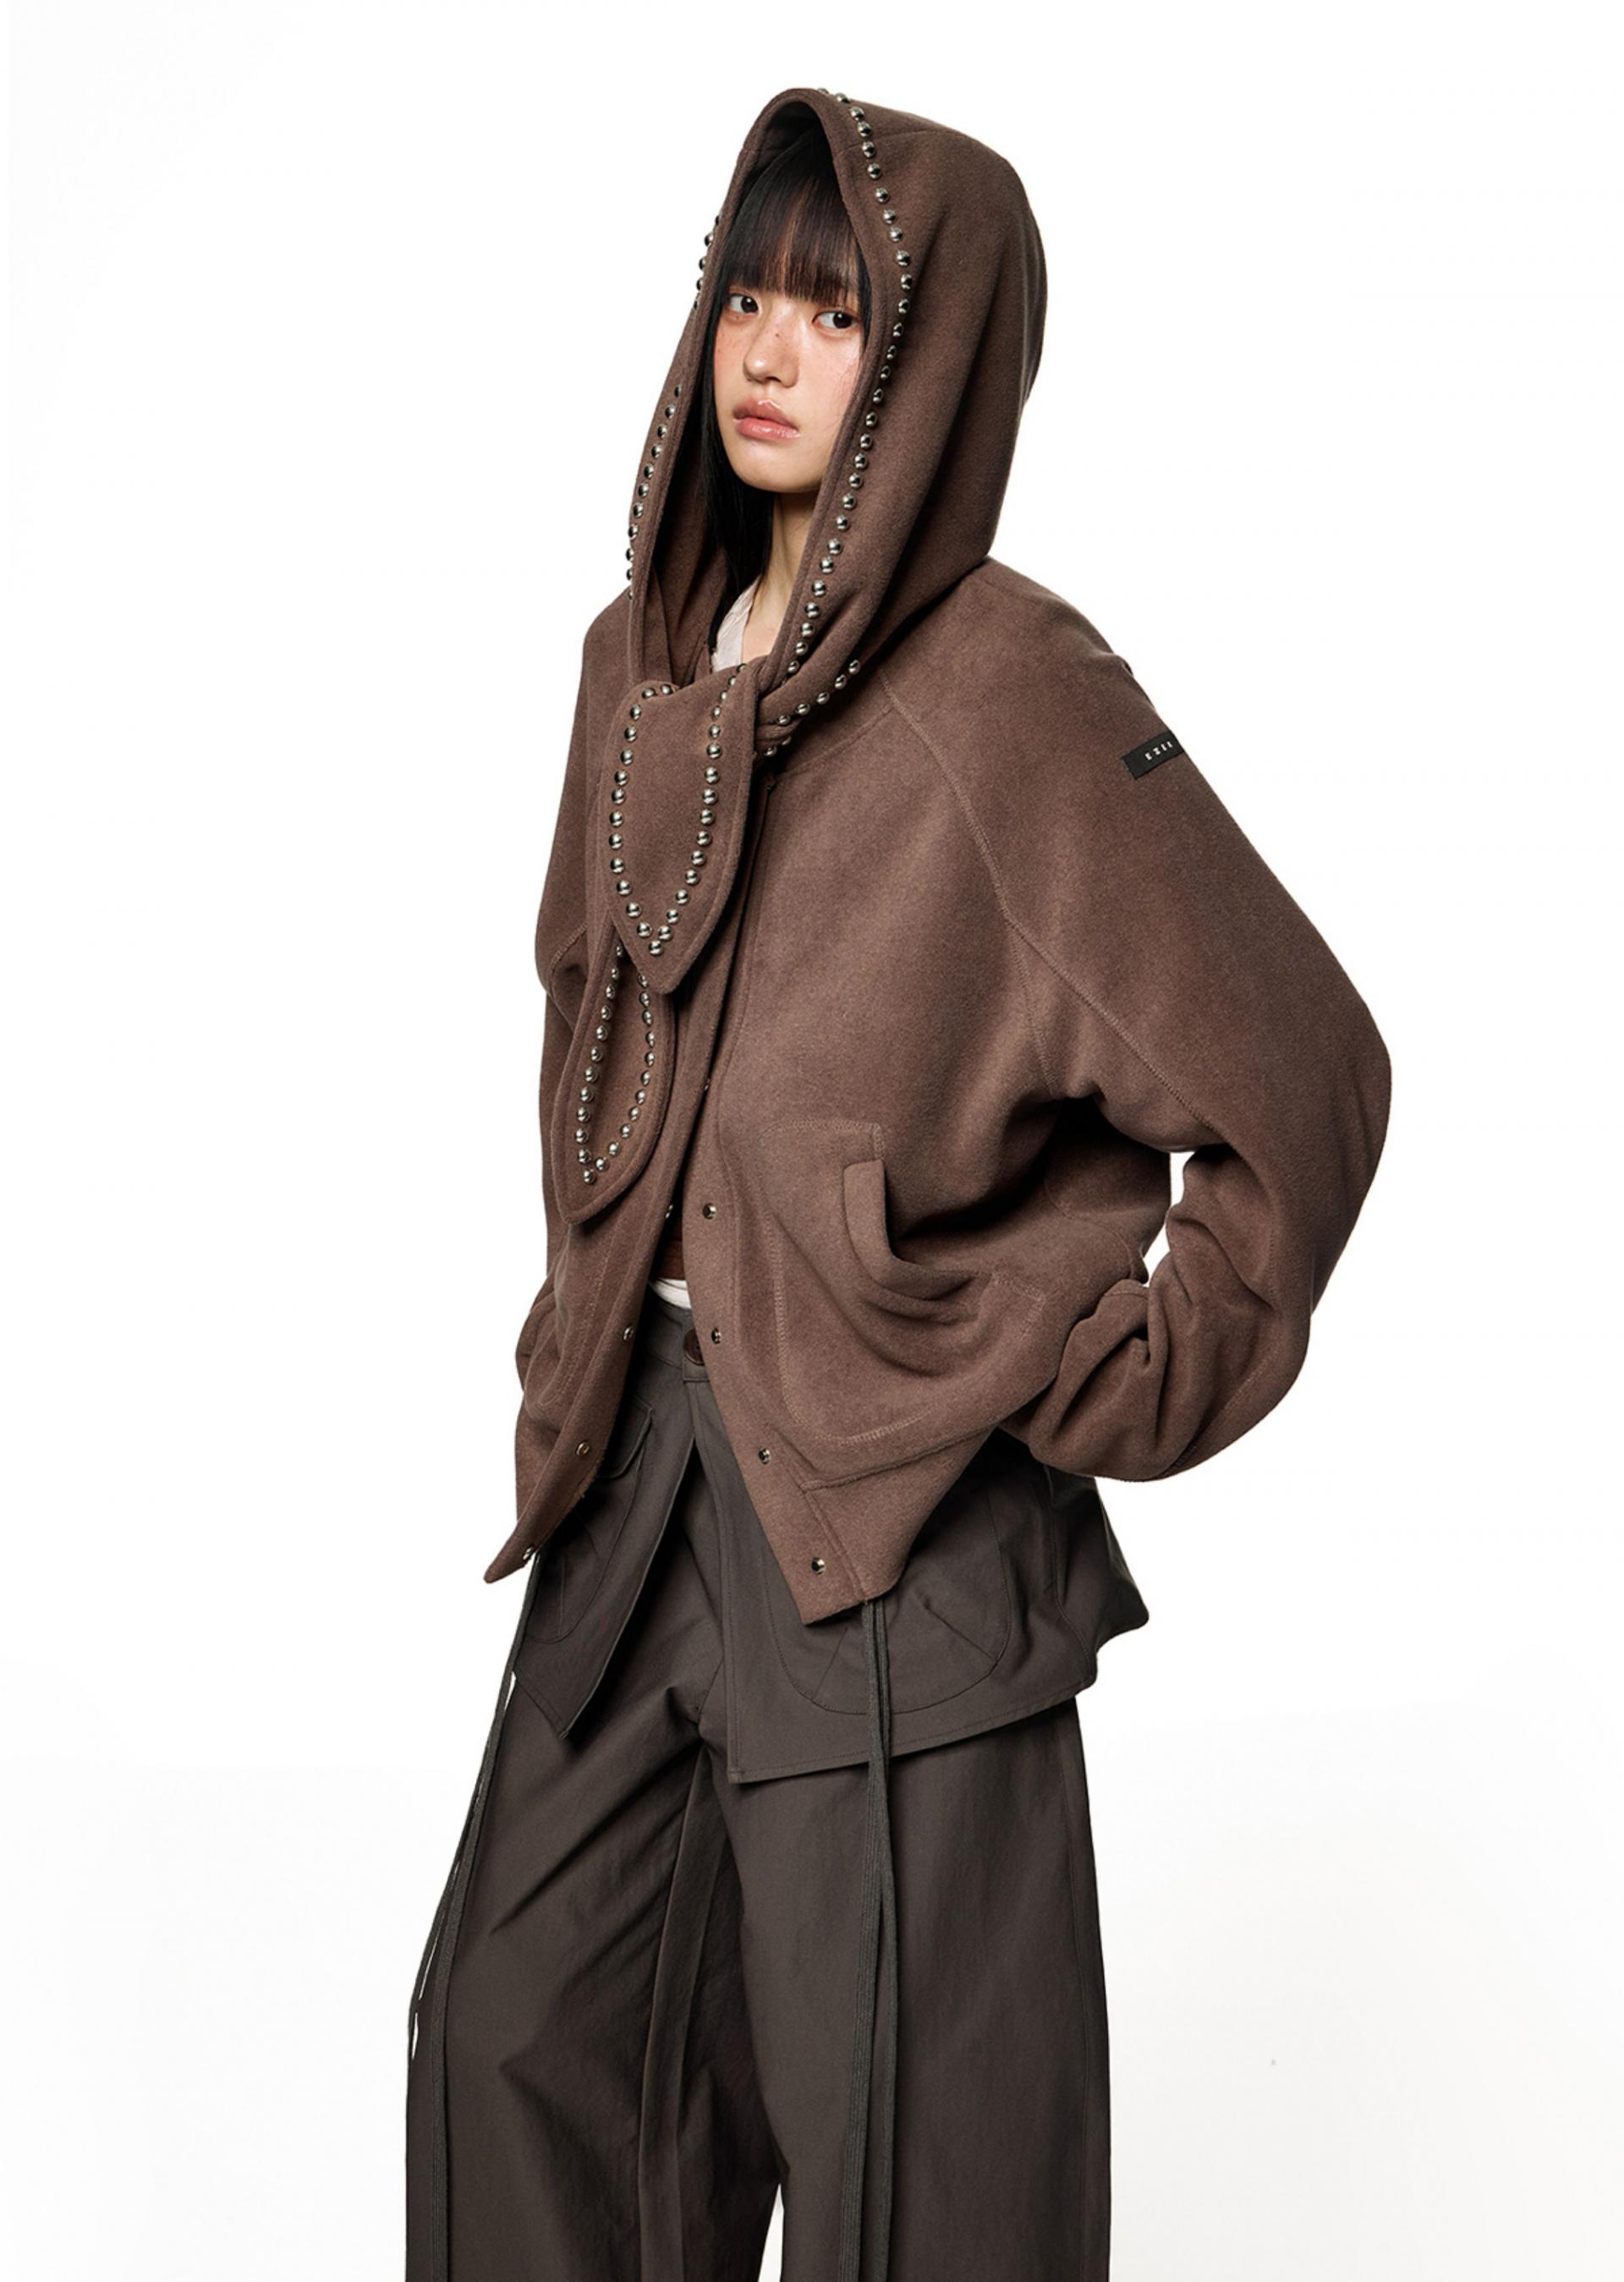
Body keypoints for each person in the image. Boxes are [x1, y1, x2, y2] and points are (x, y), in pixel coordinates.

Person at [404, 85, 1392, 2282]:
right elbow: (591, 1019)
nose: (770, 352)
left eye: (838, 315)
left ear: (931, 361)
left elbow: (1305, 1071)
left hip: (903, 1514)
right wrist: (581, 1318)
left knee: (921, 2169)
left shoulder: (1012, 691)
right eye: (745, 296)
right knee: (511, 2049)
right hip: (638, 1486)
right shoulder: (634, 673)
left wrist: (1117, 1369)